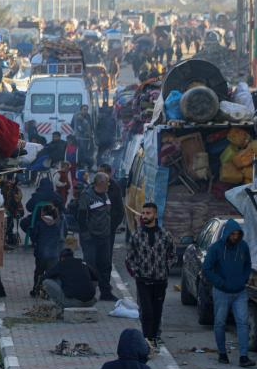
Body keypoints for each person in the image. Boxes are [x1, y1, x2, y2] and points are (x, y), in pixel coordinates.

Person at [203, 219, 255, 368]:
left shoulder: (243, 247)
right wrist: (220, 283)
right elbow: (207, 268)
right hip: (221, 292)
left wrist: (244, 279)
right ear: (227, 233)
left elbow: (248, 264)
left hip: (240, 291)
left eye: (237, 234)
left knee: (243, 323)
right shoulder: (216, 248)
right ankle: (222, 353)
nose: (235, 237)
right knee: (220, 323)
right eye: (232, 234)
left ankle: (244, 356)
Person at [125, 202, 177, 347]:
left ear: (155, 215)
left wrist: (166, 268)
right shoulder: (137, 235)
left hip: (160, 280)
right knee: (146, 312)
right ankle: (146, 340)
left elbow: (173, 254)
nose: (145, 216)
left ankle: (153, 339)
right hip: (143, 280)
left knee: (156, 312)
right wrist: (137, 271)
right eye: (143, 213)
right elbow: (130, 257)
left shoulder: (165, 235)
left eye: (148, 213)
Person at [77, 172, 116, 301]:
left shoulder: (106, 195)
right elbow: (81, 218)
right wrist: (86, 236)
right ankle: (88, 293)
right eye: (107, 182)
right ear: (101, 183)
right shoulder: (86, 196)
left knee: (105, 265)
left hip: (104, 237)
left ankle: (106, 293)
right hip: (91, 238)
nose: (109, 184)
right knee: (90, 266)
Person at [28, 204, 64, 291]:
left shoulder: (39, 224)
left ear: (43, 213)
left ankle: (36, 289)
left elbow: (33, 237)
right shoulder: (58, 223)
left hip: (41, 253)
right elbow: (62, 236)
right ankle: (49, 291)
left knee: (39, 272)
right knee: (51, 273)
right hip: (54, 254)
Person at [71, 104, 95, 169]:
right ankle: (81, 165)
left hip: (87, 138)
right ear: (81, 110)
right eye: (84, 109)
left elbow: (90, 124)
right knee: (81, 152)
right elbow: (74, 125)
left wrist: (90, 133)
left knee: (87, 151)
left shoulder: (88, 116)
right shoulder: (77, 116)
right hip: (80, 137)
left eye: (86, 110)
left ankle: (85, 164)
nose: (85, 111)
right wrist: (78, 132)